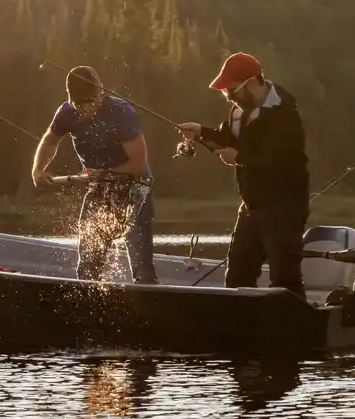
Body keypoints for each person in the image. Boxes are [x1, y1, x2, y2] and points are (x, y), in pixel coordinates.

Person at [177, 52, 310, 299]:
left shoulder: (285, 114)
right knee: (237, 276)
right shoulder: (238, 112)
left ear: (252, 82)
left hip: (285, 208)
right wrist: (201, 131)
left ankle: (292, 332)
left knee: (285, 279)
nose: (229, 98)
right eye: (225, 93)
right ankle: (245, 329)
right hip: (250, 207)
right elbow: (228, 139)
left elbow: (279, 160)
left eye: (232, 91)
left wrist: (238, 158)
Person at [31, 65, 158, 284]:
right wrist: (38, 169)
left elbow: (138, 164)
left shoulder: (122, 112)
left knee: (140, 261)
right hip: (98, 186)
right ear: (71, 100)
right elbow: (50, 140)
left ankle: (147, 294)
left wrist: (101, 174)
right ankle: (90, 295)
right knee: (89, 260)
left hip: (135, 185)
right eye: (79, 104)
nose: (85, 109)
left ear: (100, 91)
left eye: (89, 101)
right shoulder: (66, 112)